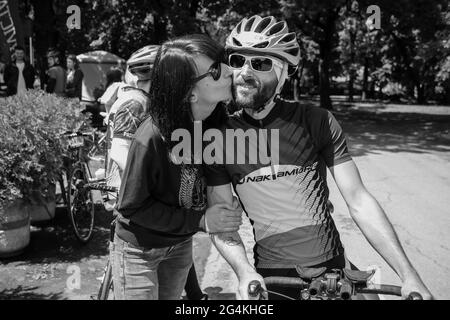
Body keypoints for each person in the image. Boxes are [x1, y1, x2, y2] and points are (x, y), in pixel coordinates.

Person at [205, 15, 434, 300]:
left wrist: (408, 274)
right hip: (271, 278)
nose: (245, 72)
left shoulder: (317, 121)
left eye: (261, 63)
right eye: (238, 60)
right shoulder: (219, 136)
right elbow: (220, 220)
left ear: (284, 73)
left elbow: (359, 201)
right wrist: (243, 272)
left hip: (333, 270)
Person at [111, 34, 242, 300]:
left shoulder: (215, 126)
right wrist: (202, 220)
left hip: (180, 244)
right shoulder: (151, 137)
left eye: (224, 63)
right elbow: (131, 206)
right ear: (189, 92)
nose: (230, 71)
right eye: (215, 71)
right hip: (139, 251)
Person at [103, 45, 159, 211]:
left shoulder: (140, 99)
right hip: (131, 196)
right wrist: (149, 185)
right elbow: (121, 153)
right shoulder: (136, 103)